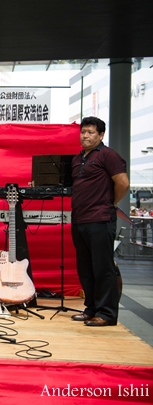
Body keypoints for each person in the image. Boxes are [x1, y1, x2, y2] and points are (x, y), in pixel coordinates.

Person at [70, 116, 129, 327]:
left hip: (101, 219)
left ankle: (107, 313)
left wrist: (111, 202)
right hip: (80, 220)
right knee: (86, 268)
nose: (85, 136)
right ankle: (91, 309)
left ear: (101, 135)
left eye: (91, 132)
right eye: (83, 132)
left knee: (103, 268)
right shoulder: (78, 158)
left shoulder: (108, 155)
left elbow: (123, 183)